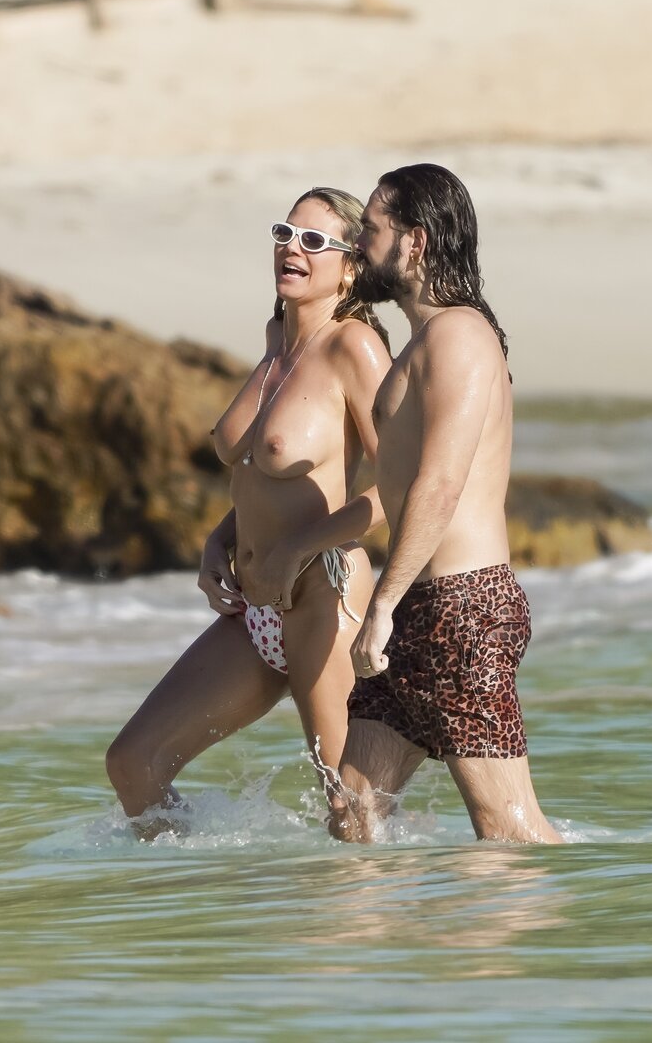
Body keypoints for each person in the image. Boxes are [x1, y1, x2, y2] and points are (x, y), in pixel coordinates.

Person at [106, 187, 392, 837]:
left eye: (314, 241)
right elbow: (260, 477)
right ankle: (215, 902)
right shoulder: (276, 340)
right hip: (255, 606)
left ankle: (389, 902)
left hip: (323, 594)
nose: (293, 248)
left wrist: (297, 548)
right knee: (134, 764)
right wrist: (219, 541)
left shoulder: (354, 349)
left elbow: (403, 487)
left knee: (349, 811)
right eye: (285, 233)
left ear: (350, 267)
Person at [328, 164, 563, 845]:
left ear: (415, 241)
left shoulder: (459, 335)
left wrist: (381, 607)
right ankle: (393, 921)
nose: (357, 243)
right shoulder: (427, 339)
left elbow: (440, 485)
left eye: (370, 228)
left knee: (509, 831)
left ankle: (591, 905)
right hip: (422, 608)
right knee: (353, 814)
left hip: (464, 610)